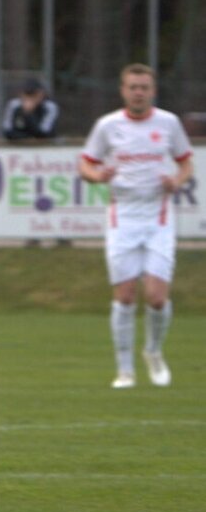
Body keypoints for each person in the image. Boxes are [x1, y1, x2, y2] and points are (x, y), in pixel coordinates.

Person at [78, 63, 194, 389]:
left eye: (144, 86)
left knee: (156, 297)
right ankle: (125, 369)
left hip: (158, 218)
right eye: (133, 87)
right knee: (126, 295)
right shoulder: (107, 126)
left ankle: (154, 352)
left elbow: (186, 163)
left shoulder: (168, 123)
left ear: (153, 91)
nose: (138, 92)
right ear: (123, 90)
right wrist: (96, 176)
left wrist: (177, 180)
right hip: (122, 218)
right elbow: (85, 162)